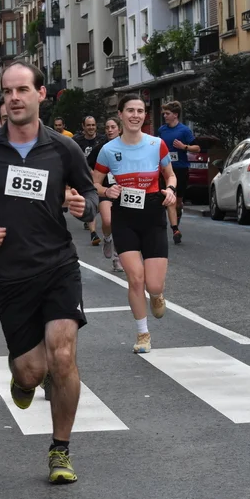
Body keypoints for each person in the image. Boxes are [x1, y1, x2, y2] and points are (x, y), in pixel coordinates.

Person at [0, 61, 98, 484]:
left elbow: (89, 192)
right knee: (32, 371)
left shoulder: (63, 149)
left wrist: (84, 207)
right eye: (7, 92)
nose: (14, 98)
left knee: (63, 355)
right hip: (12, 273)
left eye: (22, 90)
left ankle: (60, 449)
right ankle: (22, 378)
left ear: (40, 94)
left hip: (59, 264)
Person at [93, 94, 178, 354]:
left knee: (153, 284)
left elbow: (170, 175)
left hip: (152, 214)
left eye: (140, 111)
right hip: (124, 217)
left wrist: (171, 190)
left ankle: (157, 295)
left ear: (145, 115)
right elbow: (94, 183)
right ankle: (143, 334)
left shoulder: (157, 144)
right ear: (120, 114)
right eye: (130, 110)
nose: (135, 115)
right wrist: (106, 191)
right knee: (136, 279)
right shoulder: (108, 150)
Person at [156, 101, 200, 245]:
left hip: (180, 169)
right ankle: (173, 228)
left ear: (175, 115)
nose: (164, 116)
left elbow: (197, 148)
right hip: (164, 169)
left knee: (178, 202)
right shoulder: (162, 130)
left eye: (167, 113)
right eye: (164, 113)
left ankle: (177, 219)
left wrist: (184, 146)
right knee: (167, 198)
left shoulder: (184, 130)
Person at [90, 117, 124, 272]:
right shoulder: (101, 148)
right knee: (108, 220)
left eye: (113, 127)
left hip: (123, 191)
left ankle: (117, 258)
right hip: (105, 189)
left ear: (119, 129)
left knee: (121, 225)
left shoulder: (127, 146)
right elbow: (87, 163)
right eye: (107, 128)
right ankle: (107, 238)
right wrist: (94, 175)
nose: (110, 130)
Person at [73, 116, 103, 246]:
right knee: (90, 198)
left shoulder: (101, 140)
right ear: (83, 126)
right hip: (84, 176)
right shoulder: (77, 141)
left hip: (101, 176)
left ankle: (90, 213)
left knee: (100, 203)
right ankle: (93, 233)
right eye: (88, 125)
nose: (91, 128)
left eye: (93, 125)